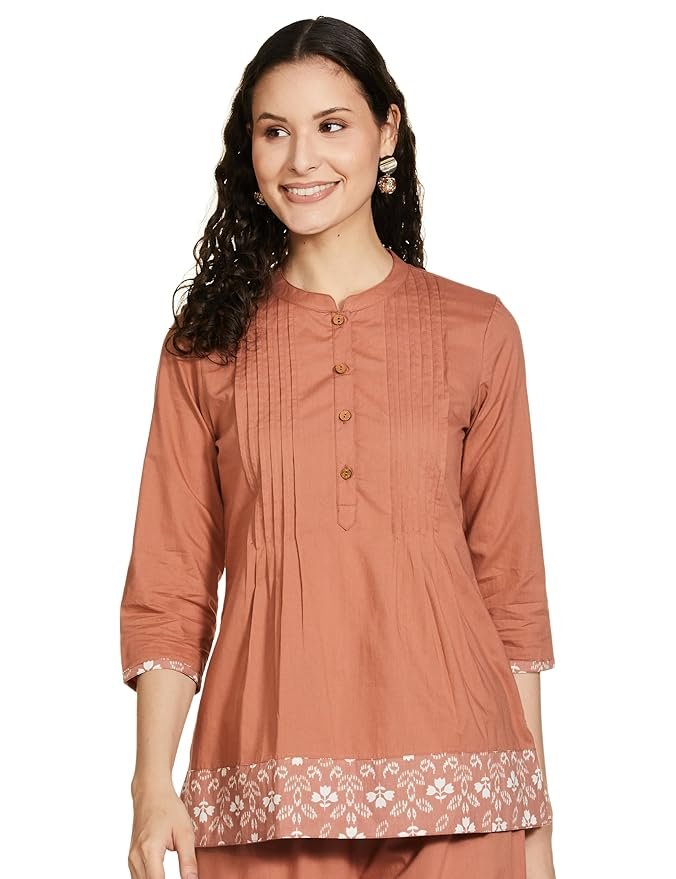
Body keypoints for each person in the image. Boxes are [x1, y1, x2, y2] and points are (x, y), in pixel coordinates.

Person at [120, 15, 557, 879]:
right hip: (263, 784)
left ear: (387, 131)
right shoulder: (204, 346)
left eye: (331, 125)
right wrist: (150, 785)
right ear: (248, 150)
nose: (301, 160)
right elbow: (170, 584)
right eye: (274, 132)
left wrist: (535, 811)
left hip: (465, 784)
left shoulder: (479, 331)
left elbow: (510, 588)